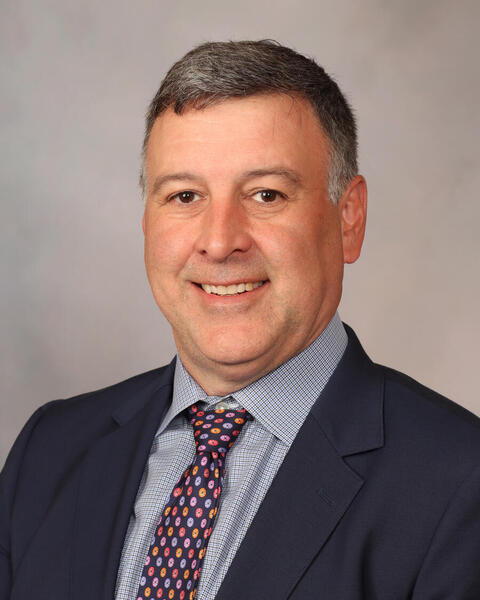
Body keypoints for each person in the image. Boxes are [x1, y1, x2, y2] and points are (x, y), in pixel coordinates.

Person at [1, 40, 479, 600]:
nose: (220, 240)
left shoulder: (459, 481)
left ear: (348, 219)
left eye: (266, 194)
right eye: (185, 196)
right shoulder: (50, 450)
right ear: (147, 221)